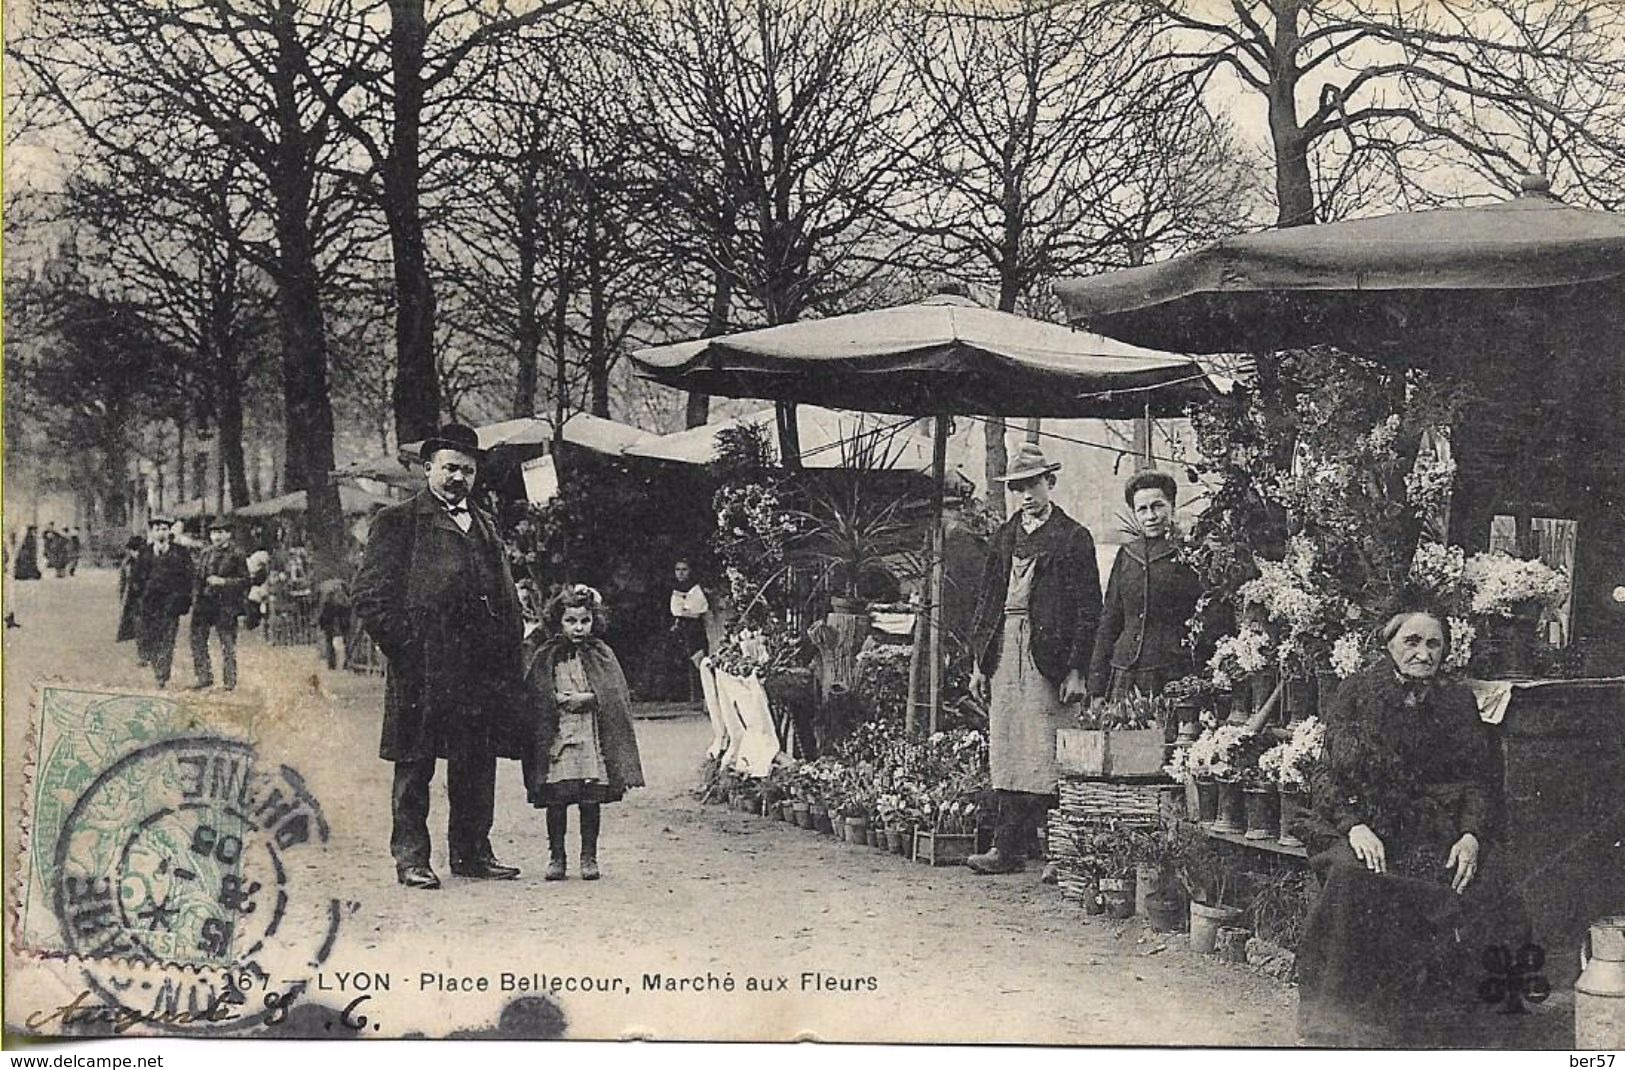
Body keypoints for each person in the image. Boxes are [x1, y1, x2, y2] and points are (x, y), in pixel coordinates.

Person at [1291, 607, 1528, 1044]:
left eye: (1433, 644)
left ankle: (1465, 1025)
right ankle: (1340, 1020)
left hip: (1435, 829)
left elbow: (1477, 780)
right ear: (1390, 646)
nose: (1422, 653)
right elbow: (1327, 776)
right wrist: (1354, 825)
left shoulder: (1457, 701)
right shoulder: (1357, 693)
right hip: (1362, 823)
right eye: (1411, 642)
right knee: (1352, 877)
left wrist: (1471, 835)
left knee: (1493, 881)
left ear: (1445, 652)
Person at [352, 423, 526, 891]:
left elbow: (504, 593)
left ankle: (472, 853)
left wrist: (509, 648)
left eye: (467, 471)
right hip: (423, 668)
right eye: (449, 468)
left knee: (476, 761)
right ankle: (412, 859)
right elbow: (370, 597)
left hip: (479, 669)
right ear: (428, 468)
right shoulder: (398, 521)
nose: (457, 478)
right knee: (415, 766)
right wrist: (407, 648)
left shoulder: (485, 522)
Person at [965, 442, 1102, 876]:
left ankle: (1063, 854)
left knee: (1050, 746)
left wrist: (1077, 669)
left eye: (1033, 484)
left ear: (1050, 483)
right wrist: (979, 664)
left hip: (1050, 655)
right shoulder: (1004, 536)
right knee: (1008, 744)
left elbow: (1088, 609)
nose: (1026, 494)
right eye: (1018, 487)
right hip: (1005, 648)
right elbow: (986, 602)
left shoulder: (1073, 536)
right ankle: (1007, 849)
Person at [522, 584, 645, 881]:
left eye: (584, 621)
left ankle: (589, 856)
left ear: (594, 620)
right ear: (559, 621)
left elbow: (614, 694)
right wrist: (554, 699)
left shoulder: (601, 654)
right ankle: (557, 856)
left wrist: (588, 699)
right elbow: (534, 694)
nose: (578, 628)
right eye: (571, 621)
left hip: (590, 732)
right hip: (559, 734)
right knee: (558, 797)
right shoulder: (547, 654)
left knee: (590, 797)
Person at [1088, 471, 1204, 703]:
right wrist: (1097, 687)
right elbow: (1110, 619)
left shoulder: (1191, 553)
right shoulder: (1127, 554)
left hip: (1172, 673)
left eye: (1157, 506)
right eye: (1142, 509)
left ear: (1172, 506)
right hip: (1125, 673)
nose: (1150, 516)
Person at [135, 516, 195, 689]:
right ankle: (157, 667)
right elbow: (137, 577)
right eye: (157, 529)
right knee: (152, 637)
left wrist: (184, 599)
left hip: (171, 604)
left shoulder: (181, 553)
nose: (161, 532)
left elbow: (188, 577)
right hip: (149, 604)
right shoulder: (145, 552)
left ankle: (162, 674)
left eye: (164, 528)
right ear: (152, 533)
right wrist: (142, 594)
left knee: (168, 639)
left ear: (169, 531)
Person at [189, 519, 249, 691]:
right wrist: (195, 597)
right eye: (214, 533)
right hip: (204, 604)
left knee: (227, 643)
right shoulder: (205, 553)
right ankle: (203, 676)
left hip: (226, 605)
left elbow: (245, 581)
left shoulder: (237, 554)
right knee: (197, 640)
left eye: (221, 532)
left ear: (228, 534)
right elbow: (198, 577)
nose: (217, 536)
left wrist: (223, 582)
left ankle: (229, 681)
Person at [669, 559, 710, 703]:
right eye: (677, 570)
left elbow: (697, 611)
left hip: (694, 629)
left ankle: (700, 697)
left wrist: (681, 612)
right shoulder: (675, 588)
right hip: (681, 629)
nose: (680, 573)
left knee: (697, 660)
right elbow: (675, 610)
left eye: (684, 570)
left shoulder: (695, 589)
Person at [116, 535, 147, 644]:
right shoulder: (127, 563)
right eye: (133, 550)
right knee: (132, 616)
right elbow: (123, 582)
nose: (136, 553)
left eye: (138, 550)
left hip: (145, 594)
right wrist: (122, 597)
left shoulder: (148, 561)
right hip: (131, 594)